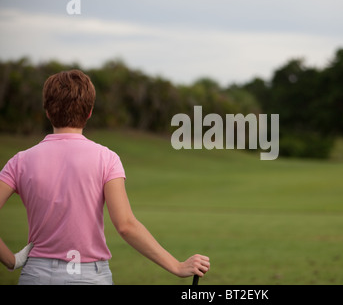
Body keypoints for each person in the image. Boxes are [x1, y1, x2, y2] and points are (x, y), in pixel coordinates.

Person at [0, 69, 210, 284]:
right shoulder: (106, 158)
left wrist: (10, 260)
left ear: (47, 110)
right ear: (89, 112)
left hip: (37, 274)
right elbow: (125, 225)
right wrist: (176, 265)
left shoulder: (20, 161)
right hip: (90, 276)